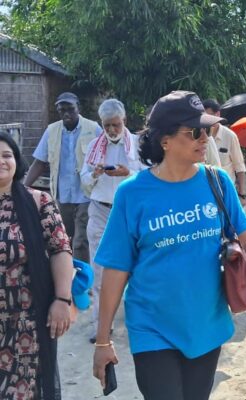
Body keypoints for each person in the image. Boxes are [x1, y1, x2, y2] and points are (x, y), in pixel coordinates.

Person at [92, 91, 246, 400]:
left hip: (206, 325)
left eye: (206, 130)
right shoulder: (133, 193)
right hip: (152, 328)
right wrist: (103, 341)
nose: (204, 138)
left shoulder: (217, 182)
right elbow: (116, 268)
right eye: (194, 132)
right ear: (165, 140)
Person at [0, 132, 73, 399]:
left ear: (17, 160)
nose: (1, 161)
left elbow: (60, 249)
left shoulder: (38, 201)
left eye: (7, 155)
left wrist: (62, 300)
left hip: (25, 323)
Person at [80, 99, 145, 343]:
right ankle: (101, 327)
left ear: (124, 121)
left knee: (137, 267)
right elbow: (84, 182)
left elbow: (151, 176)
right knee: (99, 268)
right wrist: (95, 173)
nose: (112, 130)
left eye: (116, 125)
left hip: (130, 212)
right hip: (100, 210)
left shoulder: (138, 144)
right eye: (107, 125)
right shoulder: (95, 147)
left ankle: (139, 323)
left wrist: (128, 172)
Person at [24, 92, 103, 263]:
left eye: (70, 109)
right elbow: (39, 162)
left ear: (78, 108)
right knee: (62, 237)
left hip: (86, 193)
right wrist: (23, 187)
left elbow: (106, 157)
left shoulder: (93, 129)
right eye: (62, 110)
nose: (66, 113)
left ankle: (82, 280)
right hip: (62, 195)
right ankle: (66, 275)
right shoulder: (52, 131)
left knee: (81, 240)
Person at [202, 99, 246, 206]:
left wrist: (242, 195)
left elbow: (239, 167)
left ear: (217, 114)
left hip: (226, 190)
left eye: (209, 116)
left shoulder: (230, 136)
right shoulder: (200, 136)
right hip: (207, 191)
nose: (206, 120)